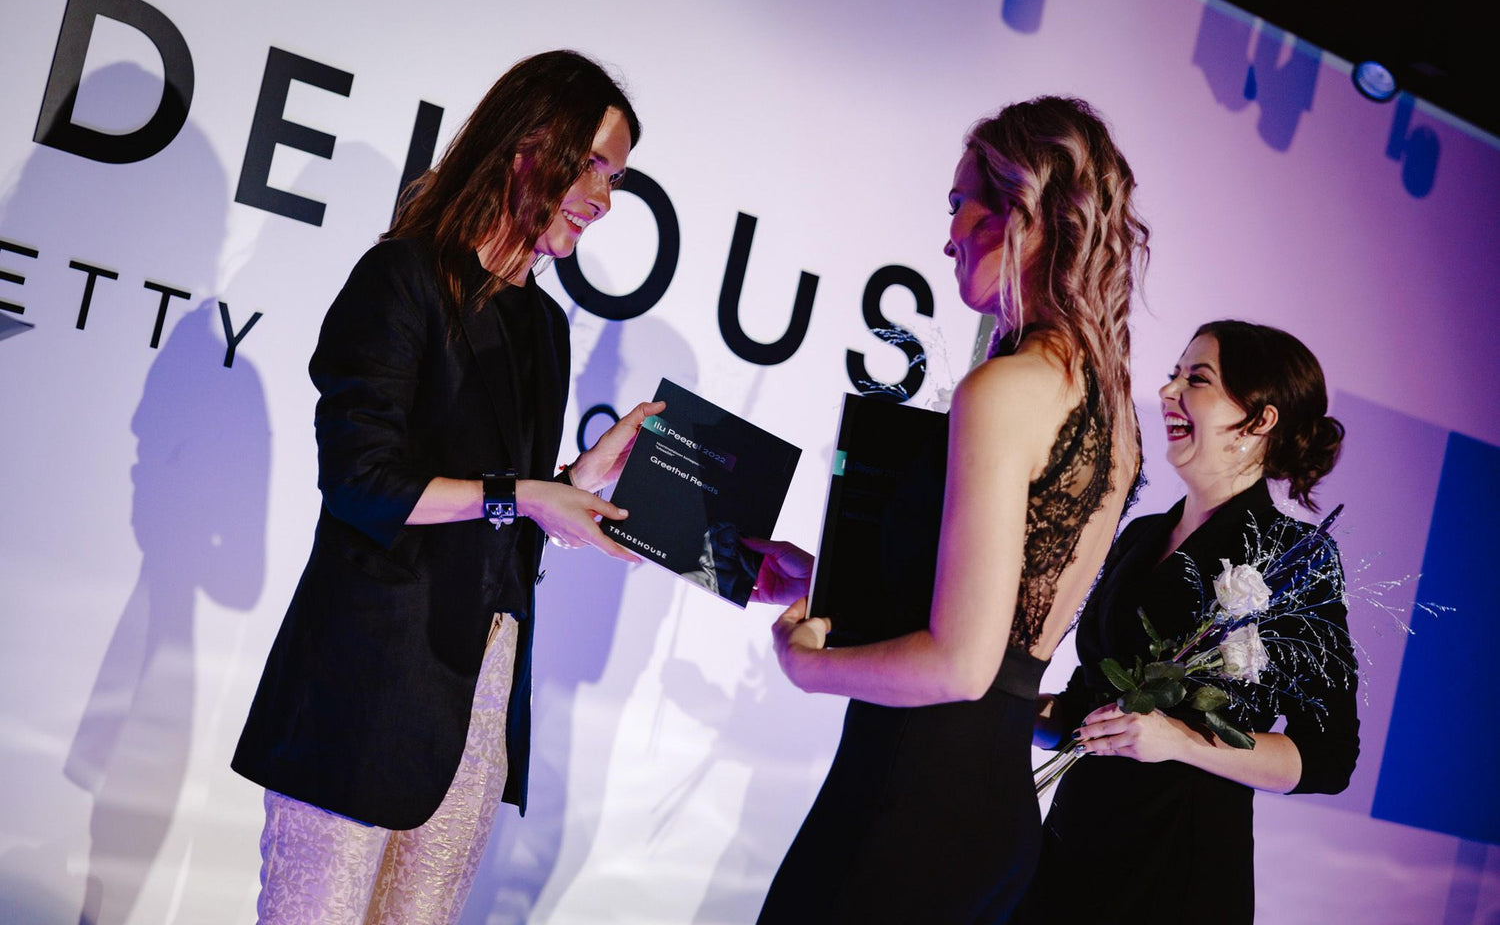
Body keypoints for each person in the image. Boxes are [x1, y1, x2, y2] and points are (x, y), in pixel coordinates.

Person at [231, 50, 662, 925]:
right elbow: (361, 482)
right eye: (592, 166)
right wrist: (526, 495)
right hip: (360, 693)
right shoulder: (403, 278)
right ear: (527, 147)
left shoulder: (544, 325)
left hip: (478, 704)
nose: (604, 199)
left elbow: (505, 508)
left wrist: (574, 483)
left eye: (614, 178)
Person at [749, 96, 1150, 924]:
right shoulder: (1114, 411)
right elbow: (1000, 614)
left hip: (909, 805)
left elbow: (962, 664)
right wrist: (825, 581)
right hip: (992, 819)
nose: (948, 236)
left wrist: (805, 665)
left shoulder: (1005, 389)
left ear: (1022, 212)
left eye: (959, 203)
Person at [1011, 319, 1360, 925]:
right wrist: (1001, 706)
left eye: (1196, 379)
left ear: (1259, 421)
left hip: (1178, 867)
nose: (1168, 391)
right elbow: (1084, 709)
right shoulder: (1141, 534)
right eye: (1175, 374)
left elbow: (1327, 759)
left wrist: (1180, 741)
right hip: (1074, 849)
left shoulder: (1295, 556)